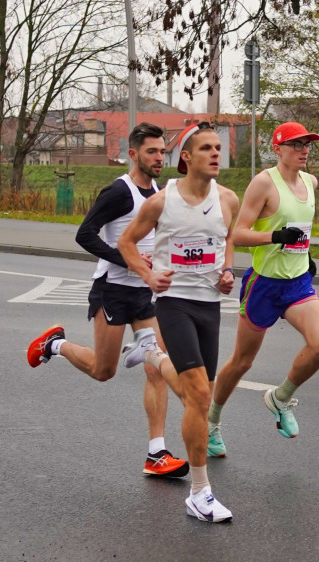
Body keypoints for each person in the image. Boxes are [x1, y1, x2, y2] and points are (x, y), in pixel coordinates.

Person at [26, 123, 188, 479]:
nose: (160, 157)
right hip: (112, 289)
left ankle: (156, 453)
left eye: (162, 151)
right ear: (133, 154)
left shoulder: (161, 192)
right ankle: (55, 345)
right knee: (104, 370)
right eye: (152, 152)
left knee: (156, 367)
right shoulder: (119, 192)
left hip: (145, 292)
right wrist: (126, 259)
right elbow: (85, 234)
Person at [118, 122, 239, 523]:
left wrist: (227, 272)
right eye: (206, 148)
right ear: (186, 157)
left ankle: (150, 353)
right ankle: (200, 492)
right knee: (200, 398)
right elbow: (126, 243)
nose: (216, 154)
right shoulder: (161, 202)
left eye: (218, 147)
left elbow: (228, 241)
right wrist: (148, 275)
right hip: (173, 304)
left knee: (198, 396)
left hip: (209, 305)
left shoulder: (228, 199)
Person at [206, 122, 319, 456]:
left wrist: (306, 253)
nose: (304, 149)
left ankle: (281, 398)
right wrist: (276, 237)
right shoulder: (264, 183)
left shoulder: (311, 181)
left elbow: (300, 229)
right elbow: (239, 233)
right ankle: (211, 422)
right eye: (295, 144)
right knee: (242, 362)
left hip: (298, 282)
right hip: (264, 284)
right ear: (278, 149)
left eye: (307, 144)